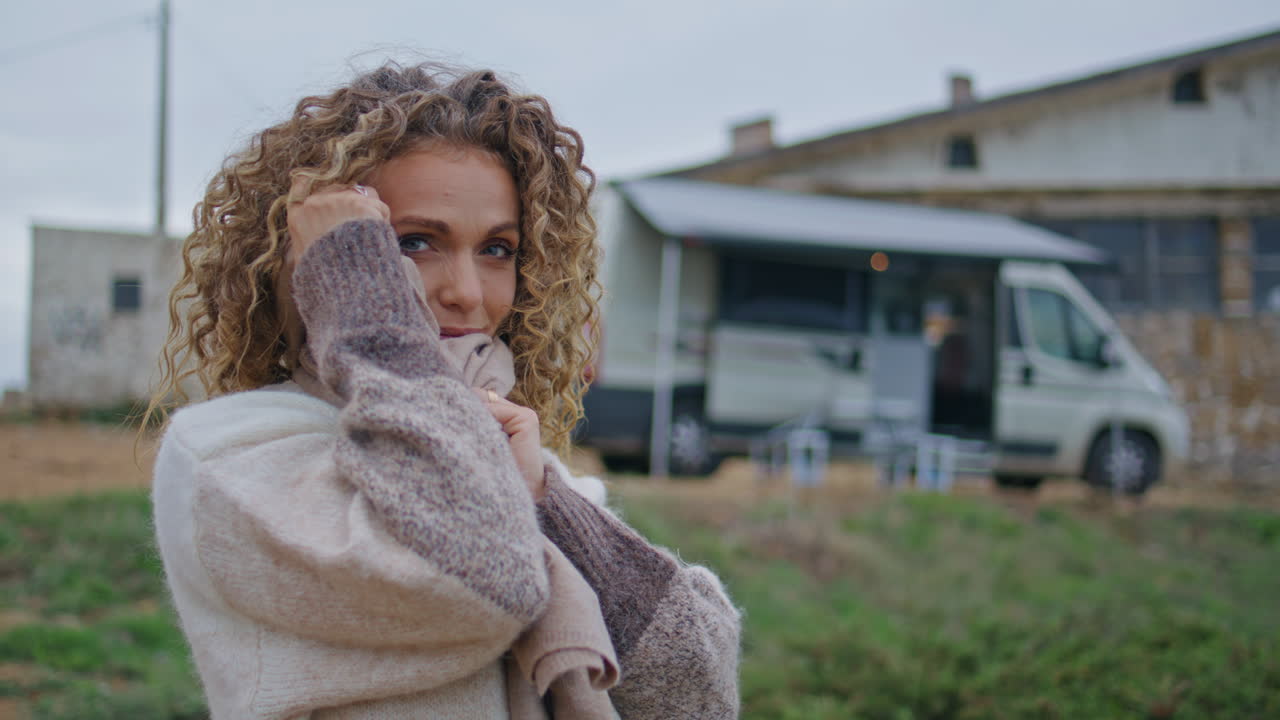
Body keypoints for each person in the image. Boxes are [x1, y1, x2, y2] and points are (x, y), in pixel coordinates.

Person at [147, 62, 741, 719]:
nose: (465, 290)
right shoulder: (230, 458)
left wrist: (548, 500)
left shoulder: (524, 470)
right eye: (415, 242)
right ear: (321, 259)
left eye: (497, 249)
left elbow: (695, 694)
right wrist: (371, 314)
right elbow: (483, 578)